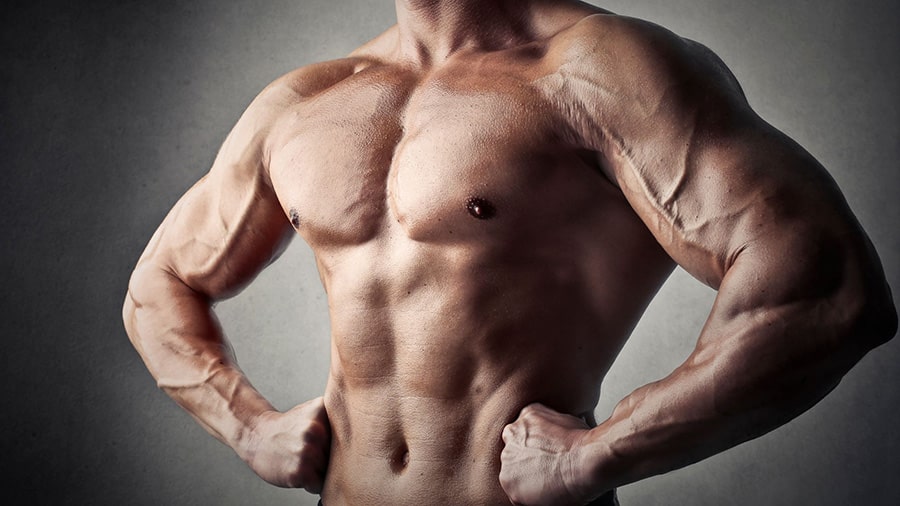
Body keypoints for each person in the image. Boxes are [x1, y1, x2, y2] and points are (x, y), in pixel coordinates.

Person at [122, 1, 897, 504]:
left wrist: (600, 454)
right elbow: (156, 285)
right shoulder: (306, 100)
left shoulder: (599, 72)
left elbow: (825, 291)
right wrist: (249, 427)